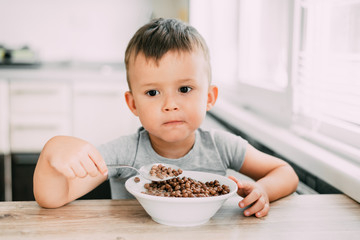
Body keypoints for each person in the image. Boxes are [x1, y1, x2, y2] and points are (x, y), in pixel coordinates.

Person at [33, 18, 298, 218]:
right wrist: (50, 153)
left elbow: (285, 172)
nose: (170, 105)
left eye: (185, 89)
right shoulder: (125, 153)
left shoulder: (222, 146)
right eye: (152, 92)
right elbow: (54, 197)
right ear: (133, 103)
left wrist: (263, 190)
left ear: (209, 97)